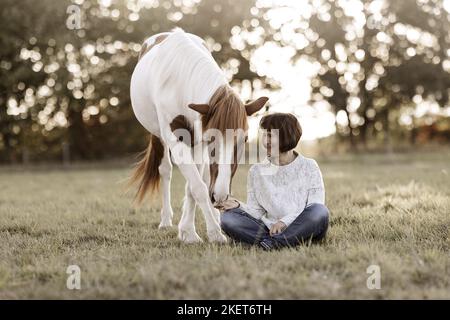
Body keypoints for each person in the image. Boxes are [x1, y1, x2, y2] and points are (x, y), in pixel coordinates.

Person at [216, 113, 329, 250]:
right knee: (228, 219)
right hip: (269, 228)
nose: (265, 141)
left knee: (320, 211)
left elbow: (315, 204)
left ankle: (272, 243)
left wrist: (284, 222)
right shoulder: (256, 171)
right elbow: (256, 212)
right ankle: (279, 242)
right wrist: (238, 205)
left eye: (270, 135)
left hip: (302, 225)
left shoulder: (309, 166)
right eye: (264, 135)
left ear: (287, 135)